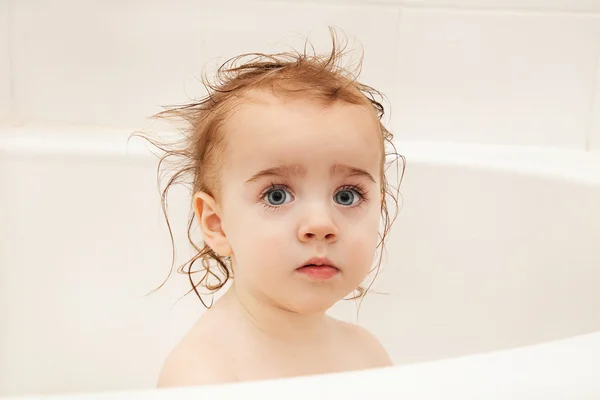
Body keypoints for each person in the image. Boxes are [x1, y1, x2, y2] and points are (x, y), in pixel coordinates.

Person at [140, 28, 403, 387]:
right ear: (217, 224)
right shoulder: (203, 375)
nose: (321, 224)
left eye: (347, 196)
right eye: (277, 195)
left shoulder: (366, 355)